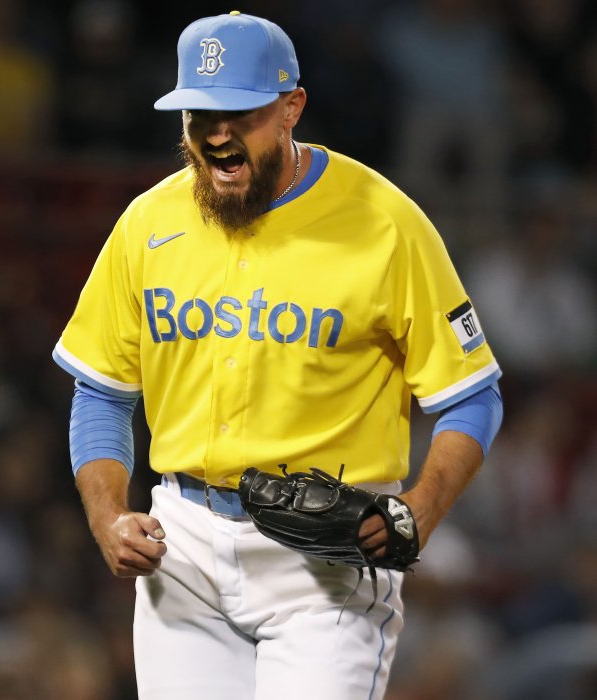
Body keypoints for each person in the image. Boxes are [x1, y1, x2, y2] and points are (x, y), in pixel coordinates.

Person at [52, 11, 504, 700]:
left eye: (240, 113)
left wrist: (421, 507)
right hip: (184, 547)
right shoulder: (148, 223)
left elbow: (472, 396)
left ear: (292, 108)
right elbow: (102, 393)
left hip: (325, 558)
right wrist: (108, 514)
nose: (217, 134)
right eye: (200, 115)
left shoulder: (384, 223)